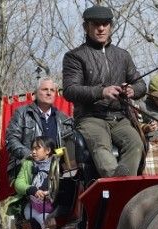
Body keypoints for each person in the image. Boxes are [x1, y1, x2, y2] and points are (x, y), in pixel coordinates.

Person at [63, 5, 147, 177]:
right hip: (90, 117)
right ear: (86, 27)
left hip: (120, 117)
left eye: (105, 24)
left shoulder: (123, 55)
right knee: (101, 146)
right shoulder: (75, 56)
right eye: (96, 24)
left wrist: (132, 90)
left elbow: (141, 85)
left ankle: (123, 184)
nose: (101, 28)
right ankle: (118, 186)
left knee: (136, 143)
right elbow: (70, 90)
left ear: (111, 26)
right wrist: (101, 92)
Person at [5, 77, 70, 181]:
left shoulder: (64, 118)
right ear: (35, 93)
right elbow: (11, 140)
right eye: (45, 89)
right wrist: (30, 155)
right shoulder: (22, 113)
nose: (49, 93)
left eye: (52, 90)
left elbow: (69, 147)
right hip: (28, 170)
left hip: (56, 174)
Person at [14, 136, 57, 229]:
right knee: (28, 211)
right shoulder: (28, 163)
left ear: (48, 150)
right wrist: (32, 190)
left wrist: (49, 193)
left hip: (52, 205)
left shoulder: (57, 164)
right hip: (33, 206)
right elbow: (18, 183)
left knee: (49, 219)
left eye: (37, 149)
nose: (33, 152)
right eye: (32, 149)